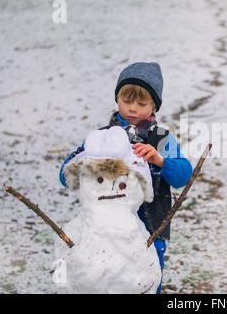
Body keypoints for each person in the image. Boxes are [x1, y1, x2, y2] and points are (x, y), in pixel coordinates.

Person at [59, 62, 193, 294]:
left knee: (146, 279)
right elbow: (65, 176)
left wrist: (161, 161)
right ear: (117, 100)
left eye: (141, 103)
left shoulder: (162, 139)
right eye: (126, 101)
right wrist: (84, 157)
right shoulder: (101, 137)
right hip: (105, 228)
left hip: (151, 227)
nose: (132, 108)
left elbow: (183, 175)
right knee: (106, 277)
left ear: (154, 107)